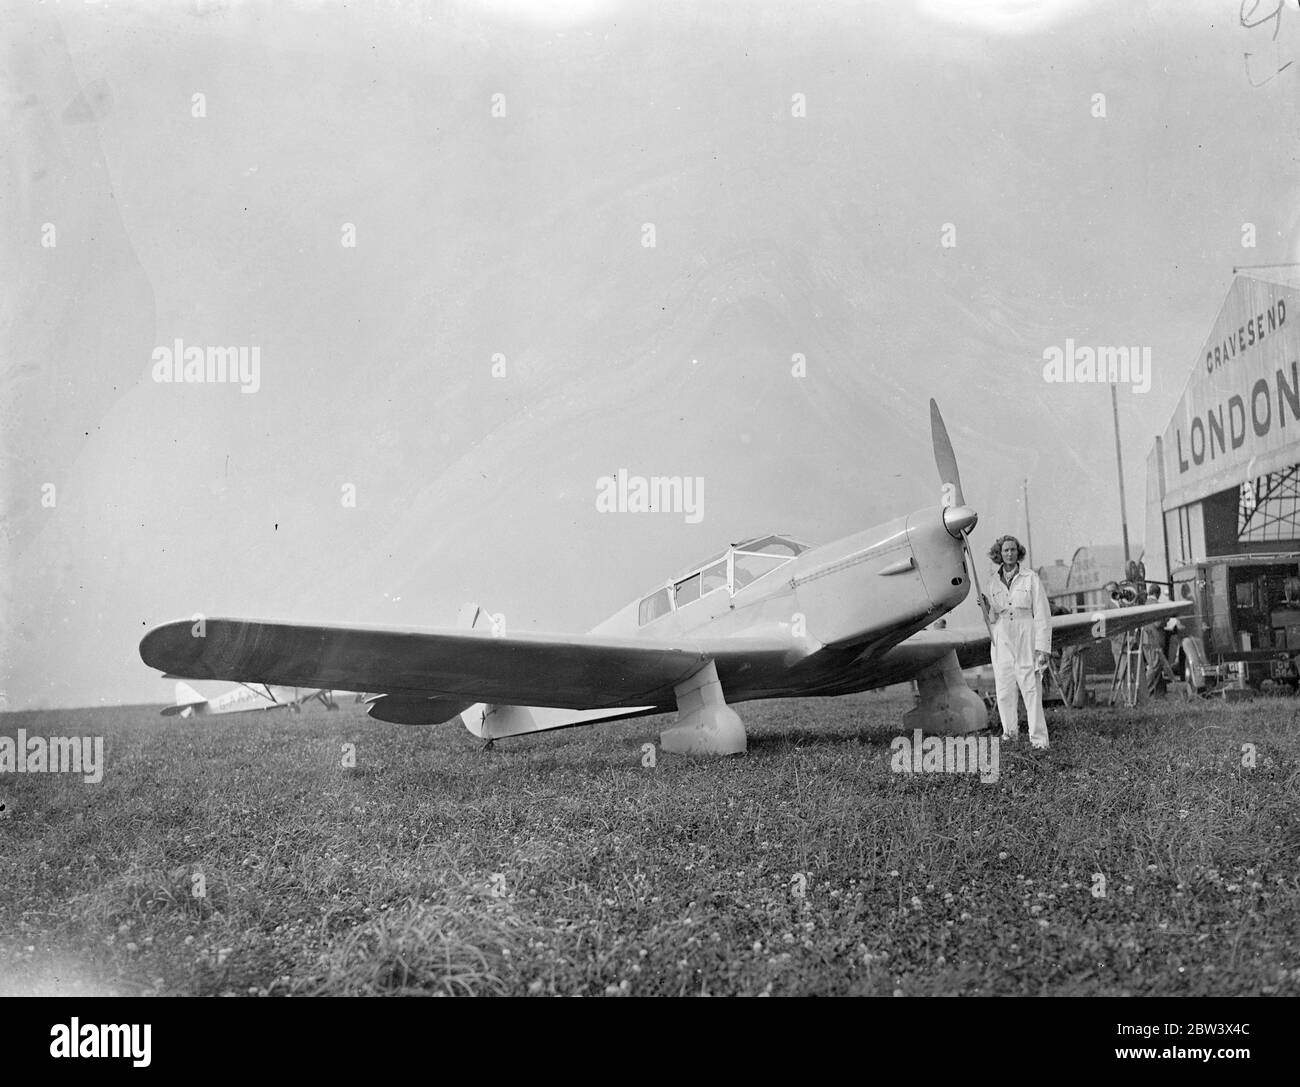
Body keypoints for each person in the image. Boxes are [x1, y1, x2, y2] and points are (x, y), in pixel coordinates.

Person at [979, 535, 1051, 749]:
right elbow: (992, 617)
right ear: (999, 554)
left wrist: (1042, 647)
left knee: (1031, 689)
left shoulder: (1031, 578)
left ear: (1018, 552)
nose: (1009, 554)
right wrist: (984, 605)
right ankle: (1010, 736)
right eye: (1005, 550)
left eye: (1012, 550)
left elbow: (1042, 614)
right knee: (1004, 691)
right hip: (1002, 637)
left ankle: (1038, 741)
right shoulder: (992, 581)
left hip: (1025, 634)